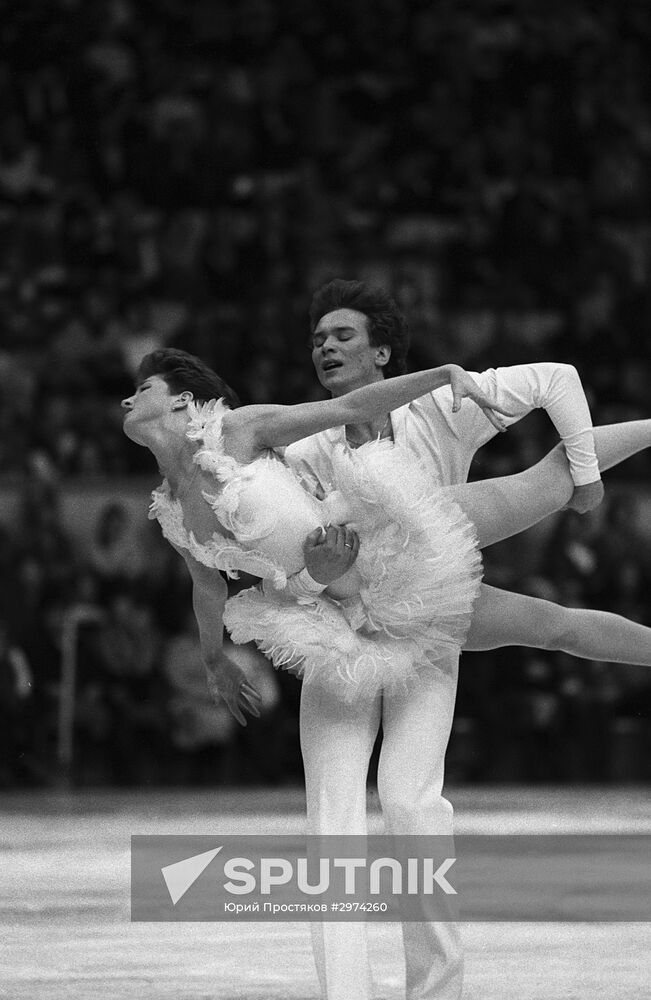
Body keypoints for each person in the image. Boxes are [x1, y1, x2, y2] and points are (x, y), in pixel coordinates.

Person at [122, 340, 651, 998]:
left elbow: (349, 404)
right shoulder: (170, 508)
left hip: (391, 550)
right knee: (336, 821)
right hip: (336, 620)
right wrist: (211, 660)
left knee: (553, 584)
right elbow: (208, 589)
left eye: (140, 389)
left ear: (180, 399)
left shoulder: (238, 428)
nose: (127, 398)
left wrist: (442, 374)